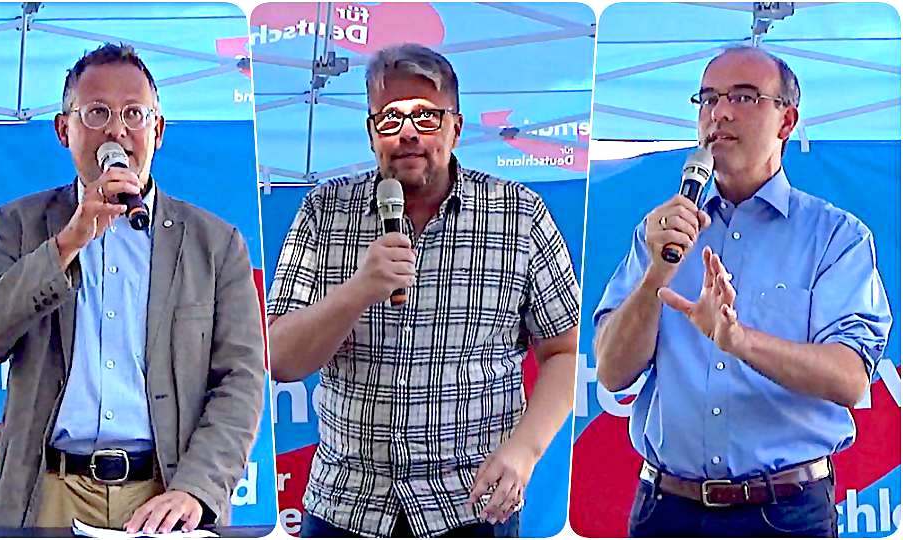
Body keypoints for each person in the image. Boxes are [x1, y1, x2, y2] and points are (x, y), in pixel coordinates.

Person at [0, 43, 265, 533]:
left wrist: (196, 488)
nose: (116, 130)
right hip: (45, 490)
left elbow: (241, 379)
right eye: (97, 112)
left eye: (134, 114)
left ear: (158, 131)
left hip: (164, 491)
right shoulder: (19, 225)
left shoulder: (215, 243)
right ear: (64, 130)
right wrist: (66, 244)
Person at [266, 43, 580, 538]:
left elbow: (565, 351)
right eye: (390, 118)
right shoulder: (324, 212)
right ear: (372, 134)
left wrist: (525, 451)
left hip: (469, 505)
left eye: (426, 116)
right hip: (346, 506)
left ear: (456, 127)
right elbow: (280, 358)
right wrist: (359, 289)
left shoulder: (519, 213)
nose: (408, 132)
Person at [594, 45, 892, 537]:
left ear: (786, 121)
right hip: (666, 509)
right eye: (709, 98)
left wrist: (739, 341)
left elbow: (850, 379)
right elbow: (611, 371)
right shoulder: (663, 231)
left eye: (744, 97)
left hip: (785, 512)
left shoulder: (835, 237)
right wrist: (655, 276)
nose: (721, 113)